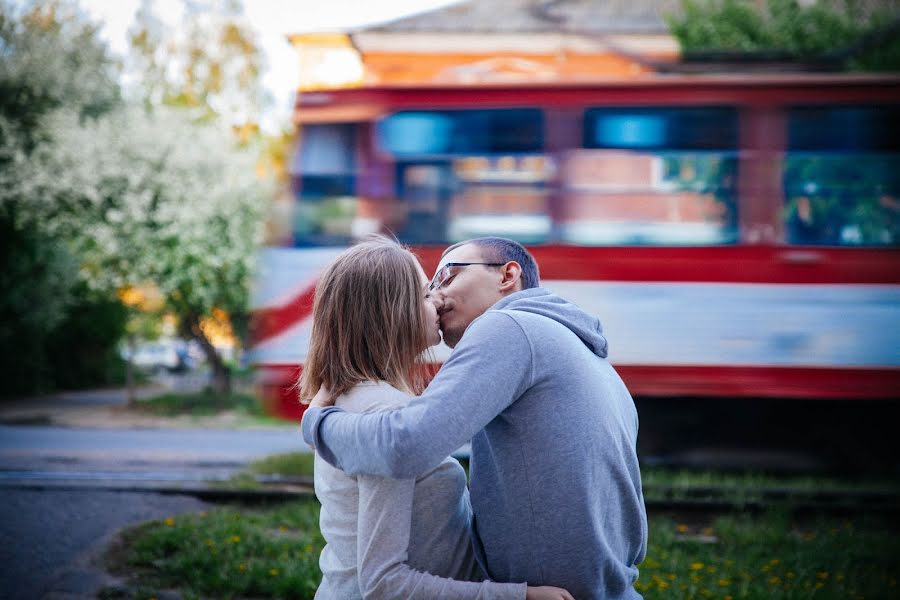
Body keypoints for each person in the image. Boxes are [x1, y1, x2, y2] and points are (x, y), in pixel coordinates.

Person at [303, 236, 648, 600]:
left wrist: (318, 424)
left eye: (447, 277)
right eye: (426, 291)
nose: (437, 298)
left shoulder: (507, 327)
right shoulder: (587, 356)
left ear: (506, 276)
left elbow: (405, 445)